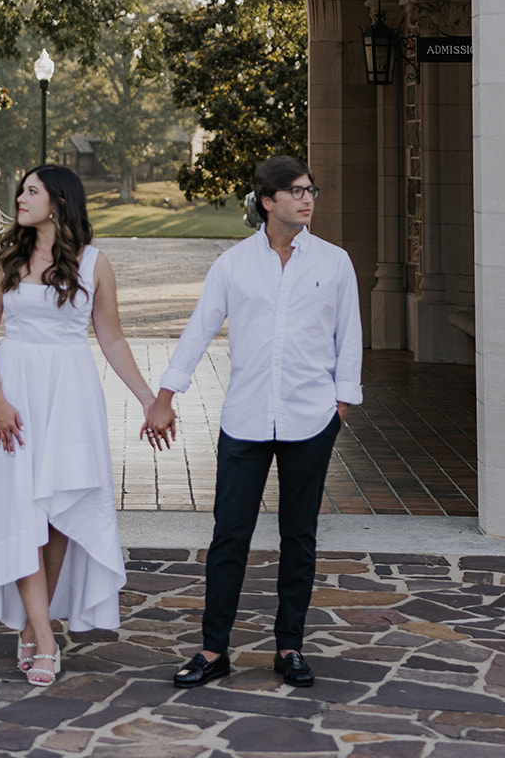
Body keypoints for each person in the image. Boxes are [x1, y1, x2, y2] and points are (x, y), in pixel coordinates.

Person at [145, 155, 362, 689]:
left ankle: (289, 647)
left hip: (311, 420)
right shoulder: (232, 265)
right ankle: (213, 649)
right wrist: (165, 396)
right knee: (229, 537)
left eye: (311, 190)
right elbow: (198, 332)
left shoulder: (335, 263)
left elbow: (349, 336)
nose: (306, 199)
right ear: (268, 201)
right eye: (295, 191)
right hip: (244, 419)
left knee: (300, 537)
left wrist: (341, 404)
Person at [0, 164, 173, 686]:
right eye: (21, 190)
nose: (21, 197)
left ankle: (34, 627)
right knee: (22, 513)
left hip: (71, 396)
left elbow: (113, 339)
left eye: (32, 191)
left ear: (58, 202)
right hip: (18, 396)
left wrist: (148, 399)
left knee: (58, 516)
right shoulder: (6, 259)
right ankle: (46, 637)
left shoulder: (95, 263)